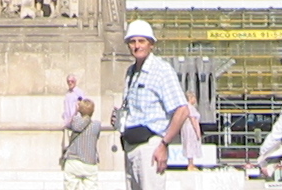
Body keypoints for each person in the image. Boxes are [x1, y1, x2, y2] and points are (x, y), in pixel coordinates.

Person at [117, 19, 191, 190]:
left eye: (142, 41)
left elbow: (182, 109)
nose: (137, 46)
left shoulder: (161, 70)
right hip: (130, 145)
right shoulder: (131, 71)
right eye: (132, 41)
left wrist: (164, 144)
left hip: (150, 146)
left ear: (151, 44)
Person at [62, 96, 103, 189]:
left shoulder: (75, 121)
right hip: (90, 161)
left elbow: (67, 124)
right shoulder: (96, 125)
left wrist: (75, 111)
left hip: (73, 161)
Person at [180, 92, 203, 169]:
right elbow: (193, 120)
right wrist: (197, 132)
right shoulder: (190, 107)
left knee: (189, 144)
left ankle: (191, 163)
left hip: (186, 127)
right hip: (190, 128)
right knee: (190, 144)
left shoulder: (186, 107)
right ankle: (190, 164)